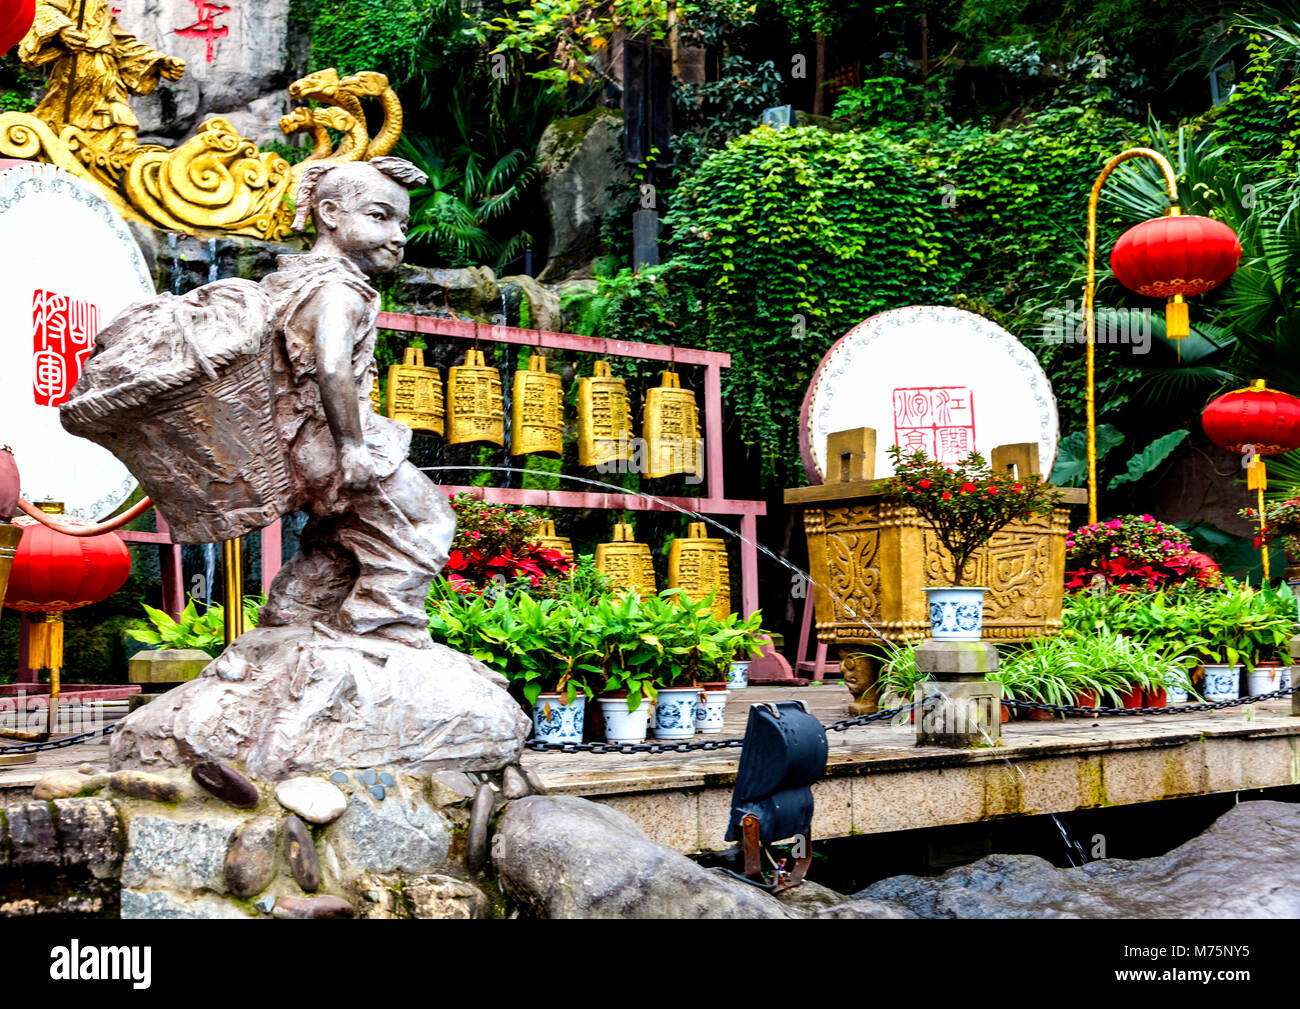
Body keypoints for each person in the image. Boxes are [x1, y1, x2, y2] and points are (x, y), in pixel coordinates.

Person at [256, 157, 455, 648]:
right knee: (429, 519)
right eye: (379, 216)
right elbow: (331, 366)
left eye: (403, 223)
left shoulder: (290, 280)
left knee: (335, 541)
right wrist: (352, 448)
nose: (399, 236)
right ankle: (377, 624)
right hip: (334, 443)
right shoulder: (338, 288)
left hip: (297, 444)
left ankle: (293, 612)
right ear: (328, 214)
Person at [19, 0, 185, 154]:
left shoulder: (100, 6)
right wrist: (62, 30)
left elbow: (121, 42)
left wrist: (159, 61)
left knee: (123, 131)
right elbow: (39, 7)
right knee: (62, 128)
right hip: (78, 70)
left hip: (110, 78)